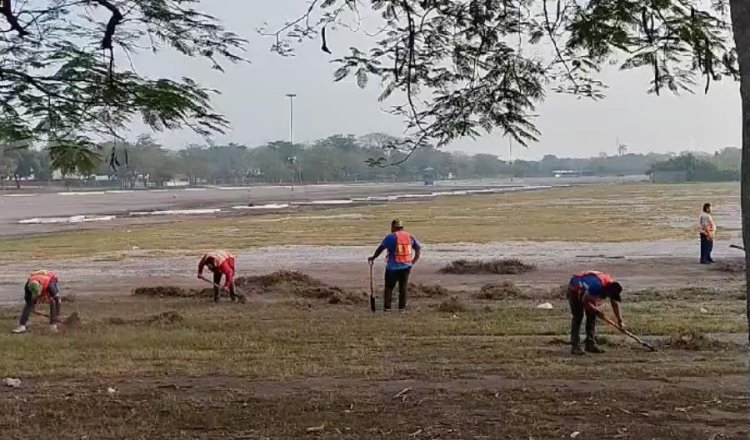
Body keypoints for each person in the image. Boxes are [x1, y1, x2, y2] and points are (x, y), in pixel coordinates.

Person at [367, 219, 421, 312]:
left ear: (393, 227)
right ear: (402, 227)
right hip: (406, 266)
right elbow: (418, 248)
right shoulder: (409, 236)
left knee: (389, 288)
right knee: (403, 288)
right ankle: (402, 309)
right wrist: (413, 261)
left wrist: (373, 257)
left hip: (392, 268)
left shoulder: (391, 237)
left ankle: (387, 308)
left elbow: (381, 248)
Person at [566, 270, 624, 355]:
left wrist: (620, 320)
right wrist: (598, 312)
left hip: (588, 288)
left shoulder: (611, 285)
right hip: (575, 286)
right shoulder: (596, 286)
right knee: (578, 316)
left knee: (591, 315)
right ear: (606, 292)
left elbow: (614, 303)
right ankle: (575, 346)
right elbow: (585, 300)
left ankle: (590, 344)